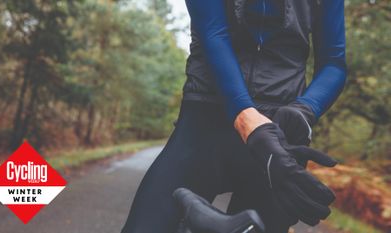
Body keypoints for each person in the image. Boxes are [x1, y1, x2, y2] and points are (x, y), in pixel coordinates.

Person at [121, 0, 346, 232]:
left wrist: (305, 109)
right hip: (205, 121)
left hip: (278, 135)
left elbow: (334, 63)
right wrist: (248, 120)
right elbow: (214, 33)